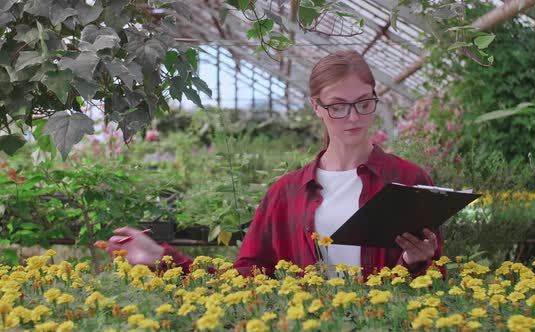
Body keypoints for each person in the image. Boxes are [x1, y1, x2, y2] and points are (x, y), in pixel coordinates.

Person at [101, 50, 445, 280]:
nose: (353, 117)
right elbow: (247, 275)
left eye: (364, 103)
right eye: (338, 105)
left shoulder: (409, 179)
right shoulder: (287, 193)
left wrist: (416, 262)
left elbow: (436, 280)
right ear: (317, 106)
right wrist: (162, 257)